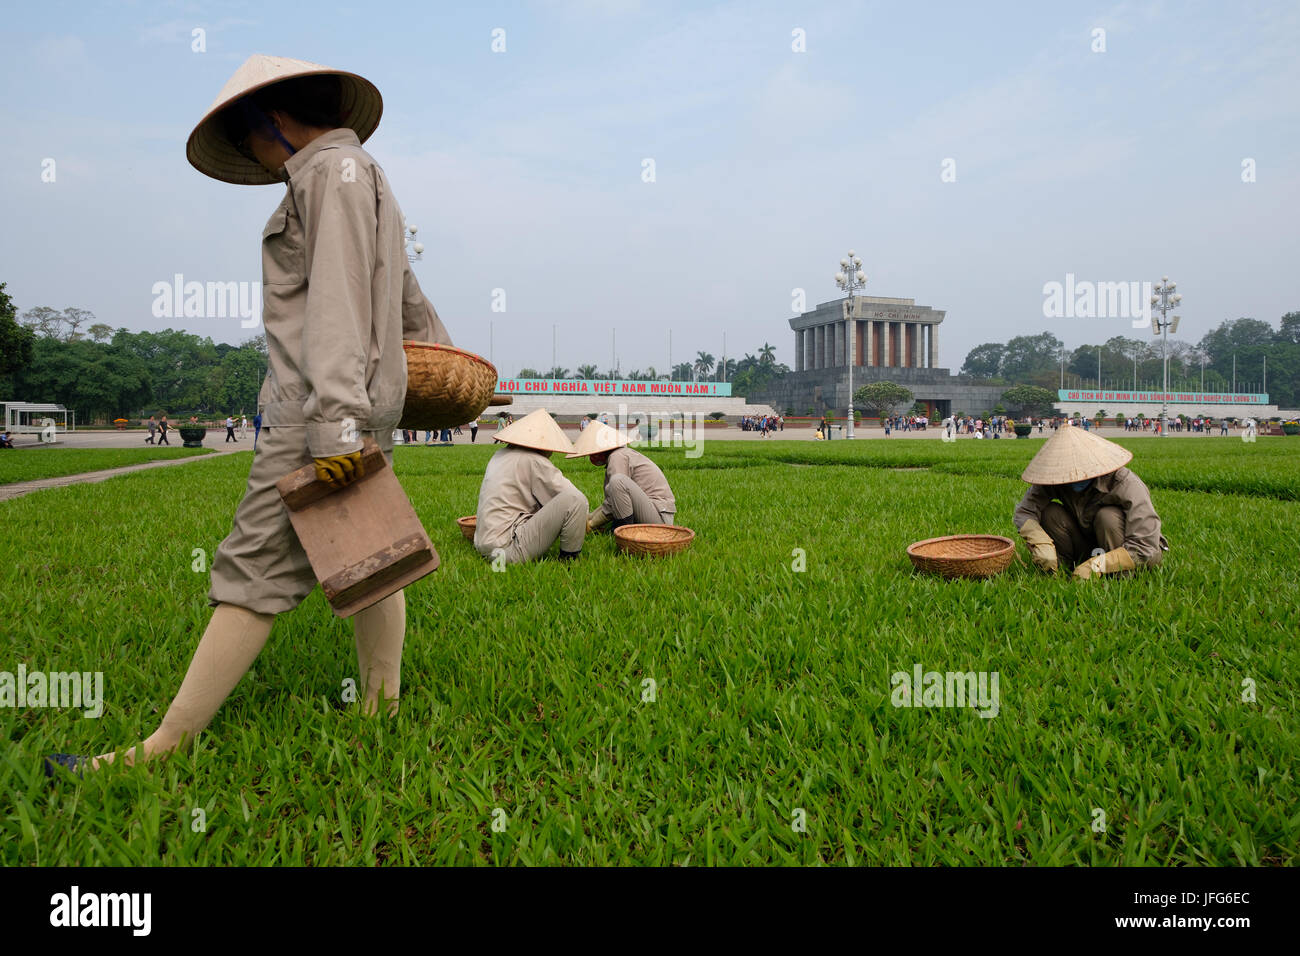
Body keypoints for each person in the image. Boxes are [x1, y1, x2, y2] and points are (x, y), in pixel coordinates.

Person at [47, 55, 453, 778]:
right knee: (371, 555)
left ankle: (158, 749)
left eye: (252, 141)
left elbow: (334, 302)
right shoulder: (368, 176)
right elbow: (408, 304)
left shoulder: (328, 177)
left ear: (278, 122)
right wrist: (438, 370)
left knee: (251, 571)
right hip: (357, 407)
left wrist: (334, 425)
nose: (258, 160)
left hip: (318, 416)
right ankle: (380, 711)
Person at [1013, 423, 1168, 580]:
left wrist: (1096, 566)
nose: (1075, 477)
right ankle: (1062, 569)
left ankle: (1119, 577)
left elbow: (1145, 546)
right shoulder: (1055, 479)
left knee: (1107, 516)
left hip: (1132, 551)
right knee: (1051, 513)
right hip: (1089, 543)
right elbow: (1025, 511)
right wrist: (1041, 543)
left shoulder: (1124, 482)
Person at [473, 408, 586, 564]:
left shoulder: (499, 455)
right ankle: (570, 560)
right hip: (506, 549)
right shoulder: (533, 461)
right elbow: (571, 497)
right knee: (576, 500)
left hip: (483, 544)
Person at [569, 420, 675, 532]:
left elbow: (614, 499)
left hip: (660, 519)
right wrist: (589, 517)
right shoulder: (619, 455)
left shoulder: (618, 457)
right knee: (616, 484)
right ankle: (621, 529)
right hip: (653, 512)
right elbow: (612, 500)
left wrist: (591, 525)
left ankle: (624, 532)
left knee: (617, 481)